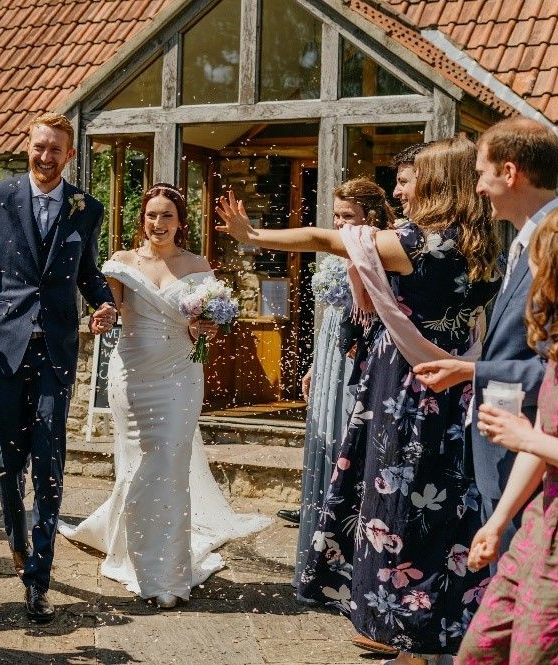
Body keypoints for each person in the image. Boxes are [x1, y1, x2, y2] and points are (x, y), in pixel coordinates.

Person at [216, 136, 501, 665]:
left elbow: (327, 239)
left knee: (397, 505)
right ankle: (442, 629)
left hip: (406, 391)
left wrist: (254, 234)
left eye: (408, 181)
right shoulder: (481, 244)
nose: (399, 191)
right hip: (459, 389)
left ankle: (406, 639)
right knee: (448, 508)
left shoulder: (416, 244)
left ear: (438, 184)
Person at [59, 184, 271, 608]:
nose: (159, 223)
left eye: (167, 216)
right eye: (152, 215)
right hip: (132, 376)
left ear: (180, 222)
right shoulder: (123, 261)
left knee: (168, 466)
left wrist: (209, 329)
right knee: (135, 466)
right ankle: (135, 556)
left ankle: (166, 573)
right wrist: (101, 314)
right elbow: (109, 305)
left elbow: (205, 329)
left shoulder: (197, 265)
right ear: (143, 219)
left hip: (180, 377)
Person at [0, 112, 116, 623]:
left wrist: (104, 302)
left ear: (70, 156)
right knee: (10, 460)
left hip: (56, 355)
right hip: (2, 349)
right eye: (38, 147)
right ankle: (16, 536)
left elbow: (88, 272)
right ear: (27, 147)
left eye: (55, 151)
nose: (45, 158)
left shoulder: (85, 208)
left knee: (49, 458)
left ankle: (38, 579)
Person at [414, 118, 558, 561]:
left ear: (510, 173)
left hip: (535, 444)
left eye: (481, 173)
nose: (477, 187)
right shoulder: (525, 240)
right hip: (508, 444)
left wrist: (471, 370)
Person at [457, 201, 558, 664]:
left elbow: (536, 440)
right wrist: (496, 523)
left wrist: (526, 437)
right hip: (539, 524)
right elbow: (544, 437)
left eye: (536, 259)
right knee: (480, 649)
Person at [290, 179, 394, 599]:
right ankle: (313, 559)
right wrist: (317, 362)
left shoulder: (381, 247)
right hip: (331, 347)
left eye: (347, 216)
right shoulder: (339, 245)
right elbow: (333, 313)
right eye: (336, 216)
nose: (339, 222)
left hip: (361, 351)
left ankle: (347, 562)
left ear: (370, 215)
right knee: (321, 445)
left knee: (345, 446)